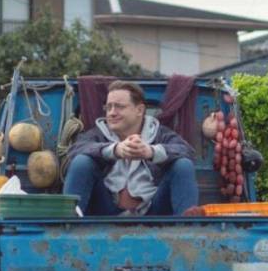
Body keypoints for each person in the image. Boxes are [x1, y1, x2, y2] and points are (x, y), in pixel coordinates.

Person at [63, 80, 199, 216]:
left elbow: (187, 152)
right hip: (105, 209)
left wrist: (151, 152)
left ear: (139, 110)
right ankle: (67, 225)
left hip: (154, 211)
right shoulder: (97, 134)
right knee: (81, 162)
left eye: (119, 107)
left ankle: (187, 229)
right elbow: (74, 151)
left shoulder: (161, 133)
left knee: (183, 165)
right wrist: (114, 150)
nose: (111, 113)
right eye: (108, 107)